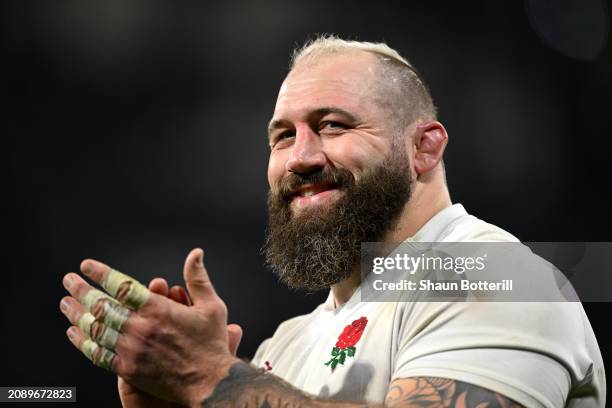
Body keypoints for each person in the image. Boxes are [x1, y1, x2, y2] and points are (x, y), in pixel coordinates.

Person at [59, 35, 605, 407]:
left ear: (425, 148)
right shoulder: (284, 346)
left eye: (334, 125)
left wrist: (210, 378)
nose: (300, 157)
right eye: (281, 136)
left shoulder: (502, 276)